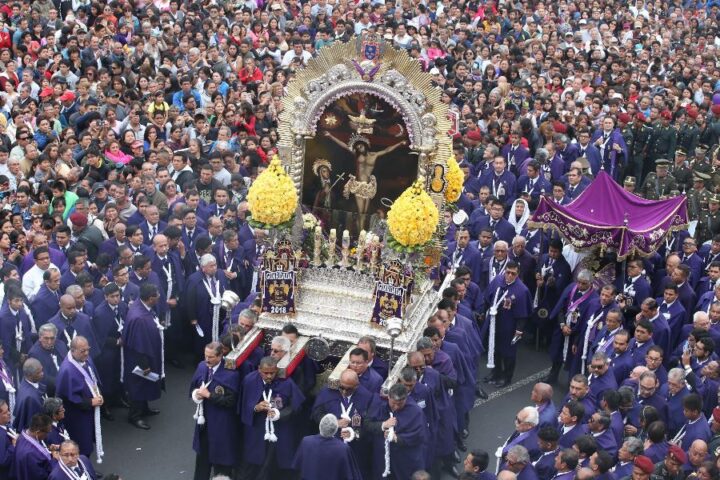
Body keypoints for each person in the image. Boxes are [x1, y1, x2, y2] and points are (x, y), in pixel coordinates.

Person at [239, 356, 304, 480]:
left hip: (279, 431)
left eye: (272, 373)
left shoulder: (286, 382)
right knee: (252, 465)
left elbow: (296, 406)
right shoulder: (249, 380)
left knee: (272, 466)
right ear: (259, 369)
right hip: (257, 430)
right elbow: (242, 404)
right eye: (265, 373)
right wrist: (255, 407)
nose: (269, 376)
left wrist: (280, 414)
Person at [189, 342, 240, 480]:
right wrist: (196, 394)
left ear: (220, 355)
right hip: (204, 421)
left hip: (221, 423)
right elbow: (194, 387)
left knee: (221, 458)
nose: (207, 360)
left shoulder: (230, 373)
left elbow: (231, 402)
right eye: (206, 356)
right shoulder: (202, 366)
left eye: (211, 357)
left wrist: (209, 395)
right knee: (203, 458)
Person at [54, 336, 104, 461]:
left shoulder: (85, 359)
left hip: (87, 410)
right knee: (82, 442)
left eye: (88, 349)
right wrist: (91, 401)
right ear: (73, 350)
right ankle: (81, 464)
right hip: (76, 415)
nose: (86, 353)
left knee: (88, 438)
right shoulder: (68, 370)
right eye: (82, 351)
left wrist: (97, 393)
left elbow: (92, 378)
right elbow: (70, 397)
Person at [122, 283, 164, 430]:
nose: (159, 297)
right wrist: (145, 365)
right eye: (157, 295)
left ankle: (144, 409)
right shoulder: (139, 319)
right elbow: (139, 346)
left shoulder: (141, 307)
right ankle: (134, 416)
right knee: (138, 386)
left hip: (146, 356)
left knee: (144, 385)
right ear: (151, 298)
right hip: (140, 361)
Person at [366, 383, 426, 480]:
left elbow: (418, 435)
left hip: (403, 459)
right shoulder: (379, 403)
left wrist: (397, 438)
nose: (396, 407)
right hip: (382, 458)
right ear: (388, 397)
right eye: (393, 403)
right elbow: (367, 424)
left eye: (400, 404)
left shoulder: (415, 411)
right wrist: (383, 425)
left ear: (406, 399)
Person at [292, 413, 362, 480]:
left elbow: (297, 466)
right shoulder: (343, 448)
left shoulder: (306, 441)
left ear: (320, 426)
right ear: (335, 430)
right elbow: (350, 475)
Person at [12, 359, 44, 432]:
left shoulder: (26, 381)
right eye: (38, 373)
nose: (42, 374)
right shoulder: (30, 398)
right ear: (29, 375)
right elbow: (34, 425)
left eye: (42, 370)